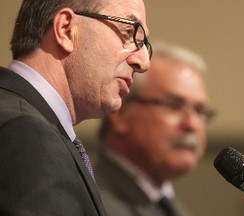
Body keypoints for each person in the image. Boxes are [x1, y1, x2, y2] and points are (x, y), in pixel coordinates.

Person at [0, 0, 151, 215]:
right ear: (66, 30)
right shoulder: (25, 132)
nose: (143, 62)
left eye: (145, 44)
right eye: (128, 32)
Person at [94, 42, 215, 216]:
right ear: (120, 113)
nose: (192, 124)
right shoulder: (89, 201)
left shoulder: (178, 211)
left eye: (199, 110)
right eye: (173, 105)